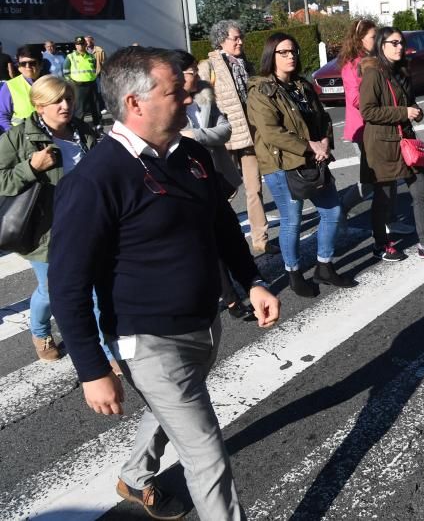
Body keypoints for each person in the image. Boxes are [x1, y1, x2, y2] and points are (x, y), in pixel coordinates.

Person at [49, 46, 281, 520]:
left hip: (203, 323)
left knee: (169, 408)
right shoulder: (96, 178)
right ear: (135, 102)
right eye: (176, 90)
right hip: (147, 338)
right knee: (207, 455)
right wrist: (92, 370)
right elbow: (67, 284)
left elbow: (221, 227)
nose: (189, 94)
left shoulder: (191, 154)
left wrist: (253, 280)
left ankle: (135, 477)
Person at [0, 76, 109, 363]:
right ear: (39, 105)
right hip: (44, 231)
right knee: (51, 289)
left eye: (69, 99)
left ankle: (108, 352)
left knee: (96, 288)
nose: (65, 105)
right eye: (56, 101)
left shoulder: (82, 131)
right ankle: (39, 331)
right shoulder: (19, 138)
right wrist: (31, 168)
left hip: (86, 225)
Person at [247, 32, 356, 296]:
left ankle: (324, 266)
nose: (290, 56)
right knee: (291, 220)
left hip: (313, 161)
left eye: (293, 50)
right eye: (283, 52)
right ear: (271, 56)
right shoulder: (261, 91)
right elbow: (272, 132)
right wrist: (311, 146)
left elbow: (323, 118)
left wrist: (325, 142)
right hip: (282, 164)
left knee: (332, 212)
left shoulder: (302, 86)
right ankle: (294, 272)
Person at [178, 51, 253, 320]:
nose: (195, 76)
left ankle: (250, 283)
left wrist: (195, 135)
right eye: (189, 71)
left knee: (227, 232)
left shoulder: (205, 95)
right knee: (209, 239)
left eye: (194, 70)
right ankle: (231, 298)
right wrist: (201, 138)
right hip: (190, 180)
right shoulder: (170, 105)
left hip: (216, 173)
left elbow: (225, 129)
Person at [360, 27, 424, 261]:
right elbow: (368, 111)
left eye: (401, 43)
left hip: (406, 141)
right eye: (393, 43)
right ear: (381, 46)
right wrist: (403, 112)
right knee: (383, 197)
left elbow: (412, 104)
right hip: (382, 144)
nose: (399, 47)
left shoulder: (402, 71)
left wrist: (417, 112)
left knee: (421, 190)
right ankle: (380, 244)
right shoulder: (373, 73)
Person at [199, 20, 277, 256]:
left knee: (255, 189)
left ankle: (260, 240)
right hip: (224, 140)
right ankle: (208, 234)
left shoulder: (246, 64)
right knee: (225, 190)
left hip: (250, 136)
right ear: (221, 40)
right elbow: (202, 105)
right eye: (235, 38)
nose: (240, 41)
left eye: (240, 37)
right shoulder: (208, 66)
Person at [338, 18, 378, 216]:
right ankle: (342, 208)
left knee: (383, 177)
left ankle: (388, 219)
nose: (377, 39)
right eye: (373, 36)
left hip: (377, 125)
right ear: (360, 38)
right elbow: (355, 98)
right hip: (362, 129)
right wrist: (380, 103)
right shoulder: (352, 65)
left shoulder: (373, 59)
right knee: (370, 180)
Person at [0, 45, 42, 131]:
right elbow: (2, 116)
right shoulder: (10, 86)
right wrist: (14, 136)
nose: (27, 67)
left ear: (41, 64)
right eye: (23, 64)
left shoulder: (52, 83)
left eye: (32, 63)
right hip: (23, 138)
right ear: (19, 67)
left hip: (50, 136)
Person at [65, 36, 101, 129]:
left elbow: (93, 68)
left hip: (91, 84)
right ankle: (79, 127)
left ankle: (98, 126)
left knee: (95, 106)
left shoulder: (91, 56)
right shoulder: (70, 56)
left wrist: (94, 79)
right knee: (79, 109)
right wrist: (71, 82)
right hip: (78, 85)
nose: (80, 46)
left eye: (82, 44)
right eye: (78, 44)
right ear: (75, 46)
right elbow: (65, 71)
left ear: (85, 45)